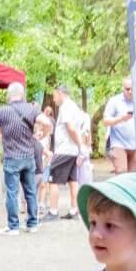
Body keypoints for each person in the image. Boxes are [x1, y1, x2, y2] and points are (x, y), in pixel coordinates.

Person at [0, 81, 40, 235]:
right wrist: (41, 134)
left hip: (12, 157)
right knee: (31, 191)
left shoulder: (2, 111)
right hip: (28, 156)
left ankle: (13, 226)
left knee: (12, 193)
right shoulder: (32, 109)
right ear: (22, 94)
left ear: (9, 94)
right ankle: (33, 224)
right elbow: (45, 123)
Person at [48, 85, 84, 219]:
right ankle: (74, 210)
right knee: (72, 180)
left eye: (54, 96)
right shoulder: (74, 107)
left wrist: (80, 145)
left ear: (60, 93)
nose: (53, 99)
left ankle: (53, 211)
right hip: (72, 150)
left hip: (64, 149)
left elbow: (70, 128)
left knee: (53, 179)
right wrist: (79, 147)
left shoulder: (66, 107)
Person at [104, 78, 136, 174]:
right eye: (127, 89)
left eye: (132, 89)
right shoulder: (114, 101)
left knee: (133, 177)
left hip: (135, 145)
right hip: (119, 144)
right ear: (123, 88)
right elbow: (105, 121)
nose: (130, 92)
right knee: (122, 174)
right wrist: (122, 118)